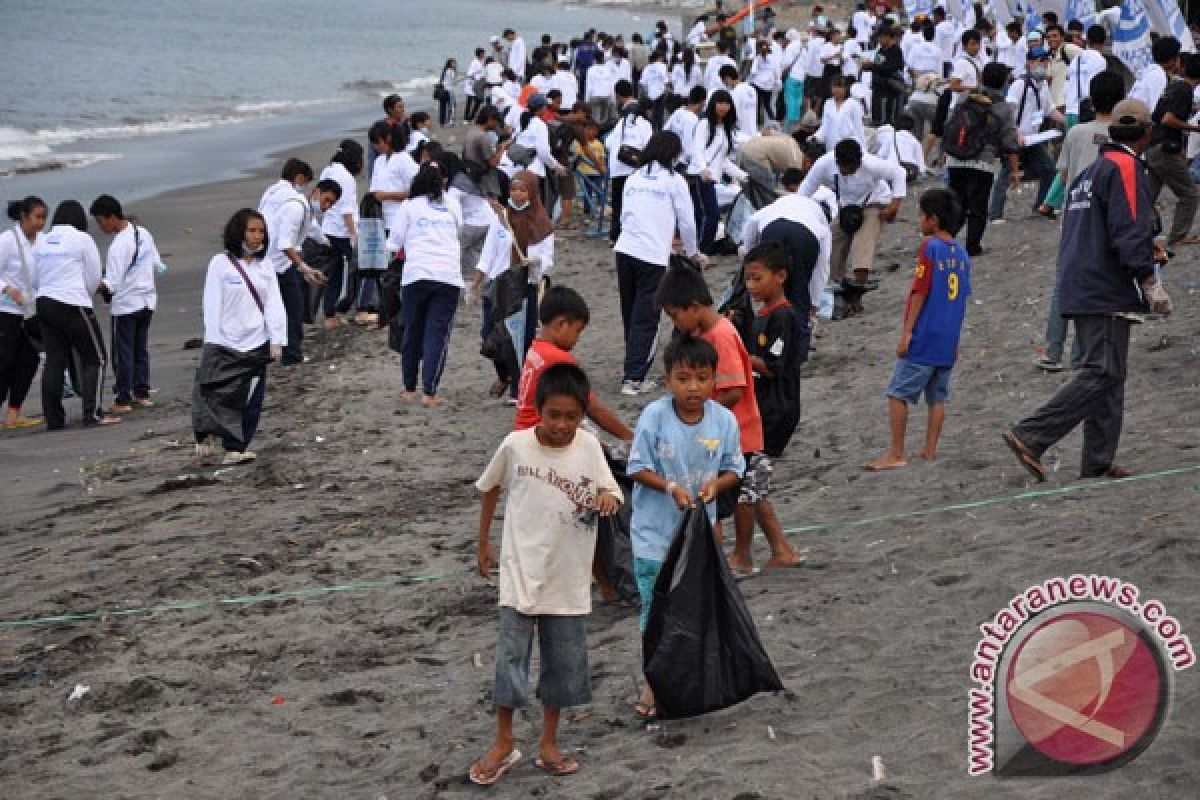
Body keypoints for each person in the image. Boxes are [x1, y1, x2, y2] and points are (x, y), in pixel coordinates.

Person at [469, 362, 622, 786]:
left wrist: (608, 500)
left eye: (571, 417)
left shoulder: (589, 447)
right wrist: (484, 543)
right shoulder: (516, 445)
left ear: (582, 416)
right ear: (538, 409)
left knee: (563, 663)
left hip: (568, 576)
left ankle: (549, 743)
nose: (561, 425)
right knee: (510, 659)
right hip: (520, 570)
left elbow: (611, 490)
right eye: (554, 415)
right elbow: (489, 487)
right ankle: (503, 741)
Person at [1003, 100, 1172, 482]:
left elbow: (1105, 227)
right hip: (1104, 286)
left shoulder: (1091, 172)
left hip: (1080, 280)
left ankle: (1098, 459)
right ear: (1147, 133)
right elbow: (1128, 228)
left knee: (1110, 374)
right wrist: (1148, 279)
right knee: (1102, 371)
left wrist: (1146, 249)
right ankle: (1031, 434)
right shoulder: (1126, 166)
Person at [626, 335, 744, 720]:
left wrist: (715, 486)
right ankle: (653, 683)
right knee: (655, 608)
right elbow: (637, 467)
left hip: (697, 534)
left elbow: (734, 467)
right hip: (653, 536)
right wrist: (670, 487)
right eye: (682, 378)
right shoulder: (654, 417)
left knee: (692, 606)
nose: (692, 387)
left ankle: (687, 678)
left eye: (701, 378)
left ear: (713, 380)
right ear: (667, 380)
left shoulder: (723, 420)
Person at [655, 264, 801, 575]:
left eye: (675, 316)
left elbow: (734, 389)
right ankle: (779, 551)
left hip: (737, 433)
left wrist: (696, 414)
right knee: (751, 494)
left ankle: (733, 562)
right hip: (736, 431)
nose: (675, 324)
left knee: (726, 502)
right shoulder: (708, 332)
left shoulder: (719, 335)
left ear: (693, 307)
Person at [866, 188, 970, 471]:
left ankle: (897, 452)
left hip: (926, 333)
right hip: (948, 336)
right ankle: (929, 450)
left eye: (922, 215)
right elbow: (962, 298)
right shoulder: (961, 253)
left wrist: (907, 332)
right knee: (938, 396)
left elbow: (919, 292)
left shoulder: (930, 248)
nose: (919, 221)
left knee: (898, 392)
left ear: (933, 220)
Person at [1035, 70, 1123, 372]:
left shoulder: (1076, 133)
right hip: (1110, 220)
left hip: (1075, 215)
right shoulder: (1123, 134)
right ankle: (1082, 354)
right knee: (1101, 286)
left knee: (1066, 281)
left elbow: (1064, 175)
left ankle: (1052, 350)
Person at [192, 208, 286, 465]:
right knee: (217, 394)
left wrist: (277, 339)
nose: (257, 236)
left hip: (256, 343)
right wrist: (213, 340)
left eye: (261, 231)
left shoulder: (265, 266)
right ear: (238, 232)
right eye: (252, 230)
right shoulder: (219, 264)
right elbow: (211, 305)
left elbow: (274, 304)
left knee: (251, 398)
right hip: (225, 343)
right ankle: (204, 435)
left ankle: (237, 447)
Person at [613, 132, 703, 397]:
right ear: (673, 155)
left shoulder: (633, 177)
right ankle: (635, 377)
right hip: (651, 255)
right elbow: (687, 221)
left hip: (625, 248)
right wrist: (693, 251)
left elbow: (624, 213)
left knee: (630, 313)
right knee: (647, 318)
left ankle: (632, 364)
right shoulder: (674, 181)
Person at [31, 200, 116, 429]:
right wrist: (84, 296)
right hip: (72, 302)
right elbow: (94, 276)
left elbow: (34, 279)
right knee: (95, 358)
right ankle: (93, 414)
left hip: (45, 302)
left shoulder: (42, 241)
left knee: (55, 361)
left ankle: (54, 420)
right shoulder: (82, 239)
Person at [472, 170, 554, 401]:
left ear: (532, 192)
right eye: (514, 189)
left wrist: (536, 262)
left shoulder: (541, 222)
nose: (517, 194)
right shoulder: (502, 219)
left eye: (523, 189)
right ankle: (505, 374)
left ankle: (518, 389)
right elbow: (488, 254)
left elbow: (548, 258)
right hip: (497, 285)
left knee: (519, 340)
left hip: (523, 285)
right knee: (490, 335)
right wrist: (476, 282)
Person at [512, 286, 632, 442]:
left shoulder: (535, 348)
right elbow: (593, 408)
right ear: (562, 324)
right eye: (578, 331)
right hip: (540, 435)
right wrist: (629, 436)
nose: (578, 339)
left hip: (522, 431)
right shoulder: (558, 358)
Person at [387, 163, 464, 406]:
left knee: (412, 330)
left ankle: (409, 388)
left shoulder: (409, 206)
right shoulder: (452, 204)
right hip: (448, 276)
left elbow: (394, 243)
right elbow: (459, 232)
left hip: (416, 275)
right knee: (437, 334)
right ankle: (429, 391)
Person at [799, 139, 906, 290]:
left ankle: (860, 284)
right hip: (846, 207)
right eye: (844, 168)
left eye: (853, 167)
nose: (848, 171)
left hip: (874, 201)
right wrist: (797, 210)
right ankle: (834, 282)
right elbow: (807, 187)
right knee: (831, 239)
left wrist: (894, 206)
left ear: (859, 161)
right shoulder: (824, 164)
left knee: (862, 240)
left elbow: (899, 173)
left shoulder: (871, 164)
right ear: (837, 162)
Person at [89, 195, 161, 413]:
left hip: (126, 305)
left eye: (100, 221)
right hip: (147, 300)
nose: (100, 226)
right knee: (140, 349)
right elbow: (158, 264)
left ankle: (122, 398)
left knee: (124, 353)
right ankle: (142, 393)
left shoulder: (118, 246)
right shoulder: (143, 233)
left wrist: (93, 286)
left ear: (111, 217)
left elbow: (111, 283)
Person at [257, 159, 332, 364]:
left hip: (262, 260)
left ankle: (268, 351)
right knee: (294, 308)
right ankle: (291, 355)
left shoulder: (270, 193)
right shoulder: (295, 204)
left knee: (269, 308)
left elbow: (310, 228)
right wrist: (304, 267)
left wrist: (324, 241)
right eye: (306, 182)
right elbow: (285, 243)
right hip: (282, 264)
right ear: (299, 177)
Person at [945, 62, 1020, 257]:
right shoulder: (1003, 107)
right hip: (983, 162)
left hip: (956, 158)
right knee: (978, 206)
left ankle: (947, 240)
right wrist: (1014, 170)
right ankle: (972, 246)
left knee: (956, 202)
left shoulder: (965, 98)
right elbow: (1010, 141)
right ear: (1004, 82)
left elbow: (951, 124)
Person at [744, 241, 808, 460]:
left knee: (757, 468)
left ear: (780, 276)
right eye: (748, 279)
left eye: (757, 278)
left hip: (777, 408)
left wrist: (739, 356)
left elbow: (772, 368)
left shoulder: (783, 316)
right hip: (761, 405)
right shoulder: (763, 315)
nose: (751, 285)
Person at [740, 169, 832, 317]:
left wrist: (749, 254)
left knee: (770, 282)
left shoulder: (780, 201)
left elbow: (753, 220)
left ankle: (770, 325)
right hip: (803, 234)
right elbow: (822, 265)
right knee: (799, 288)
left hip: (773, 228)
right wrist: (814, 303)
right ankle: (799, 328)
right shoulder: (821, 219)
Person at [988, 48, 1060, 223]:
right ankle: (995, 214)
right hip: (1016, 137)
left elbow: (1050, 110)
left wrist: (1067, 122)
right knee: (1006, 173)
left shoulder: (1043, 87)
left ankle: (1041, 205)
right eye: (1038, 60)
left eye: (1045, 60)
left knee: (1049, 169)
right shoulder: (1020, 84)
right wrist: (1015, 132)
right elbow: (1009, 109)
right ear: (1029, 62)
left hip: (1034, 138)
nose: (1042, 64)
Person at [0, 196, 46, 429]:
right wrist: (7, 289)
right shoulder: (8, 241)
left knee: (29, 361)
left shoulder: (43, 241)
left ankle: (13, 415)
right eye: (37, 217)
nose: (41, 223)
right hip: (6, 311)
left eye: (44, 218)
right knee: (4, 362)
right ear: (24, 217)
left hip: (32, 312)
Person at [1145, 52, 1200, 247]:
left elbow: (1158, 116)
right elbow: (1168, 119)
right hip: (1164, 149)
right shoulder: (1184, 90)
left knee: (1145, 197)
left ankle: (1133, 230)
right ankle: (1178, 236)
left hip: (1153, 146)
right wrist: (1195, 128)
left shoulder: (1173, 87)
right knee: (1189, 193)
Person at [688, 89, 748, 255]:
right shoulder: (705, 124)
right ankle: (701, 252)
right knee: (710, 215)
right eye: (720, 103)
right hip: (700, 177)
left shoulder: (725, 128)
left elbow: (724, 161)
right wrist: (703, 169)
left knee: (707, 216)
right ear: (712, 104)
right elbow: (697, 149)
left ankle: (701, 252)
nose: (723, 106)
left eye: (726, 103)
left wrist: (743, 176)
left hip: (712, 178)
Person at [317, 140, 362, 329]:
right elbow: (347, 210)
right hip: (343, 231)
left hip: (327, 229)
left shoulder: (327, 171)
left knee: (334, 275)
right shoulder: (346, 178)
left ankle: (329, 315)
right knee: (358, 270)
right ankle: (348, 307)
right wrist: (353, 235)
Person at [604, 81, 653, 245]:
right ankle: (630, 235)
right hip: (634, 169)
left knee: (617, 203)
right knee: (633, 204)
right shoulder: (645, 124)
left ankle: (614, 236)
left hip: (617, 168)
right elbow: (649, 145)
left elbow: (609, 143)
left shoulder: (621, 123)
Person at [736, 122, 804, 187]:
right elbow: (791, 185)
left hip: (746, 146)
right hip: (756, 156)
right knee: (765, 189)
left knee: (750, 184)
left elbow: (765, 131)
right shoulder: (797, 166)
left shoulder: (792, 141)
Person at [814, 75, 866, 153]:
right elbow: (824, 126)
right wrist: (815, 137)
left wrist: (863, 148)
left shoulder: (853, 104)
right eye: (834, 86)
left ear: (846, 88)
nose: (836, 90)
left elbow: (858, 128)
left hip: (848, 145)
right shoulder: (828, 103)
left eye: (839, 87)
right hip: (831, 145)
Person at [720, 64, 760, 140]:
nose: (724, 84)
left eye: (723, 81)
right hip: (753, 132)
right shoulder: (752, 89)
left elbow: (732, 114)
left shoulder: (735, 93)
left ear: (727, 78)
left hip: (741, 135)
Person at [464, 47, 487, 123]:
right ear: (480, 54)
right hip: (472, 84)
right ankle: (466, 118)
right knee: (470, 101)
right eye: (483, 53)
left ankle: (472, 116)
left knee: (479, 100)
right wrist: (475, 80)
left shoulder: (480, 62)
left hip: (478, 85)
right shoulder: (474, 62)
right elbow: (470, 74)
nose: (484, 54)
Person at [437, 58, 458, 128]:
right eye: (453, 63)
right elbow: (454, 82)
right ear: (450, 64)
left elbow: (443, 81)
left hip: (442, 90)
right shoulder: (451, 71)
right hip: (449, 91)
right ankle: (450, 121)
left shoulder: (445, 70)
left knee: (442, 107)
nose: (455, 64)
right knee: (451, 106)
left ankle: (442, 122)